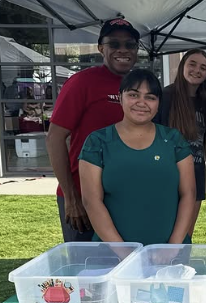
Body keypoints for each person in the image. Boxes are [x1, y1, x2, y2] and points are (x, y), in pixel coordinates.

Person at [46, 18, 140, 242]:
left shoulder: (140, 87)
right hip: (82, 197)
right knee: (86, 270)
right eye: (114, 44)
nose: (122, 50)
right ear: (101, 48)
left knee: (125, 267)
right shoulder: (82, 83)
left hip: (123, 199)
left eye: (129, 45)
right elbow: (54, 138)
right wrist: (71, 197)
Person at [78, 69, 195, 244]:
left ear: (158, 103)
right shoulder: (97, 142)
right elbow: (91, 201)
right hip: (113, 256)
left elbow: (189, 194)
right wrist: (123, 252)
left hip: (170, 255)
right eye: (133, 95)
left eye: (150, 97)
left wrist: (173, 247)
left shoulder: (173, 140)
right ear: (120, 97)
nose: (142, 103)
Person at [155, 49, 206, 239]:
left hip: (195, 177)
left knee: (185, 238)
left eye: (203, 68)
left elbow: (204, 145)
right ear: (183, 66)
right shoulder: (166, 96)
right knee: (165, 235)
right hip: (168, 177)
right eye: (192, 64)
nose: (197, 70)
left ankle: (182, 269)